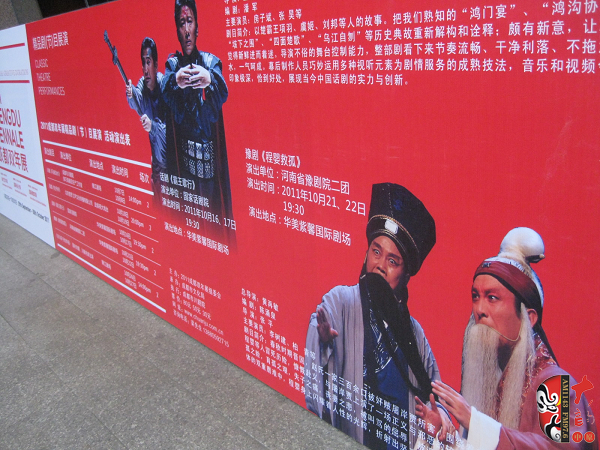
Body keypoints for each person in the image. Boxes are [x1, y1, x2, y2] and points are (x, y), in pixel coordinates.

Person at [417, 227, 597, 450]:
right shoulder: (491, 377)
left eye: (492, 298)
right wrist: (445, 438)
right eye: (475, 296)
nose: (479, 310)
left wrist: (476, 423)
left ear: (529, 318)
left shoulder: (554, 384)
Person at [304, 183, 449, 450]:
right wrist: (323, 341)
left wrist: (439, 416)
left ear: (406, 275)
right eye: (376, 251)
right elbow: (319, 329)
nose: (380, 266)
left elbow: (437, 395)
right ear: (366, 253)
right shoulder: (341, 301)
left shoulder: (415, 334)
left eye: (393, 261)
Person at [161, 0, 234, 242]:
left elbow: (223, 90)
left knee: (214, 229)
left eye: (190, 21)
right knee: (191, 230)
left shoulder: (210, 62)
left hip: (209, 171)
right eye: (181, 23)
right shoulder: (173, 65)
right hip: (186, 171)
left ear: (197, 27)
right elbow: (164, 90)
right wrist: (176, 80)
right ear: (177, 30)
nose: (186, 30)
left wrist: (209, 78)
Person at [126, 37, 167, 194]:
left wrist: (153, 127)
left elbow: (173, 132)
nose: (145, 68)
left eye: (148, 62)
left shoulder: (165, 87)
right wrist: (131, 93)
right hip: (156, 167)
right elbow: (137, 101)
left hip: (171, 168)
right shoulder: (143, 86)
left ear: (156, 65)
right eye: (143, 63)